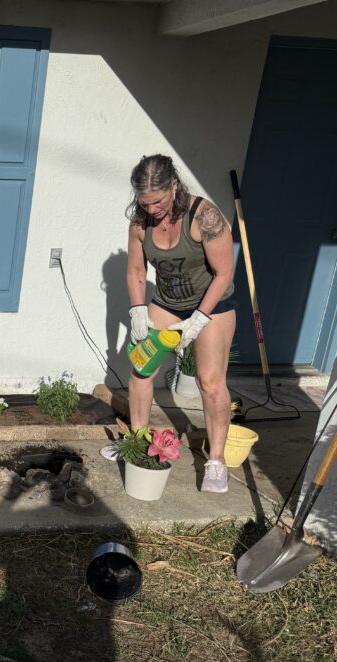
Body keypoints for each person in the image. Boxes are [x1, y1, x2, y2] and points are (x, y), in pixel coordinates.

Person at [102, 154, 236, 493]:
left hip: (214, 304)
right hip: (167, 302)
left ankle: (216, 461)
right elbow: (136, 271)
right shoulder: (139, 222)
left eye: (158, 202)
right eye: (145, 204)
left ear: (174, 186)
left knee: (210, 382)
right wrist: (136, 311)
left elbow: (224, 273)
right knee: (141, 367)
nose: (152, 210)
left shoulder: (204, 216)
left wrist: (199, 320)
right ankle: (136, 441)